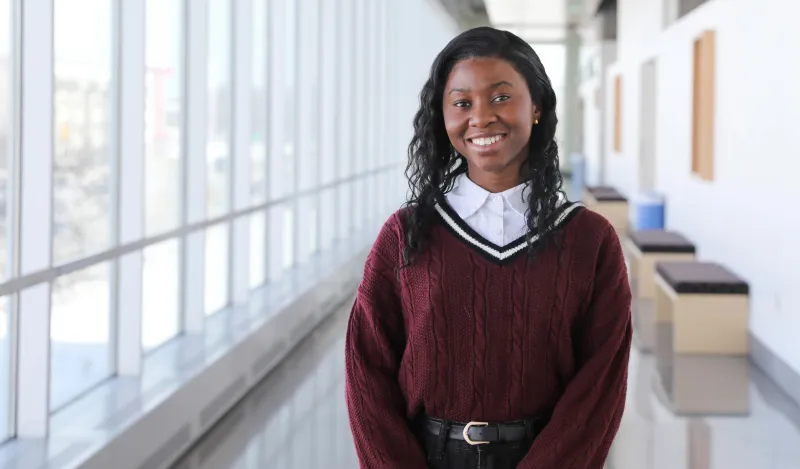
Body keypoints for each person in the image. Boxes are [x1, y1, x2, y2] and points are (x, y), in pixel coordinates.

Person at [345, 26, 632, 469]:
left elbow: (599, 388)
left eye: (500, 97)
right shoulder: (405, 235)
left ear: (536, 106)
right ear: (443, 117)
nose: (480, 117)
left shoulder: (589, 240)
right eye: (462, 103)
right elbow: (367, 373)